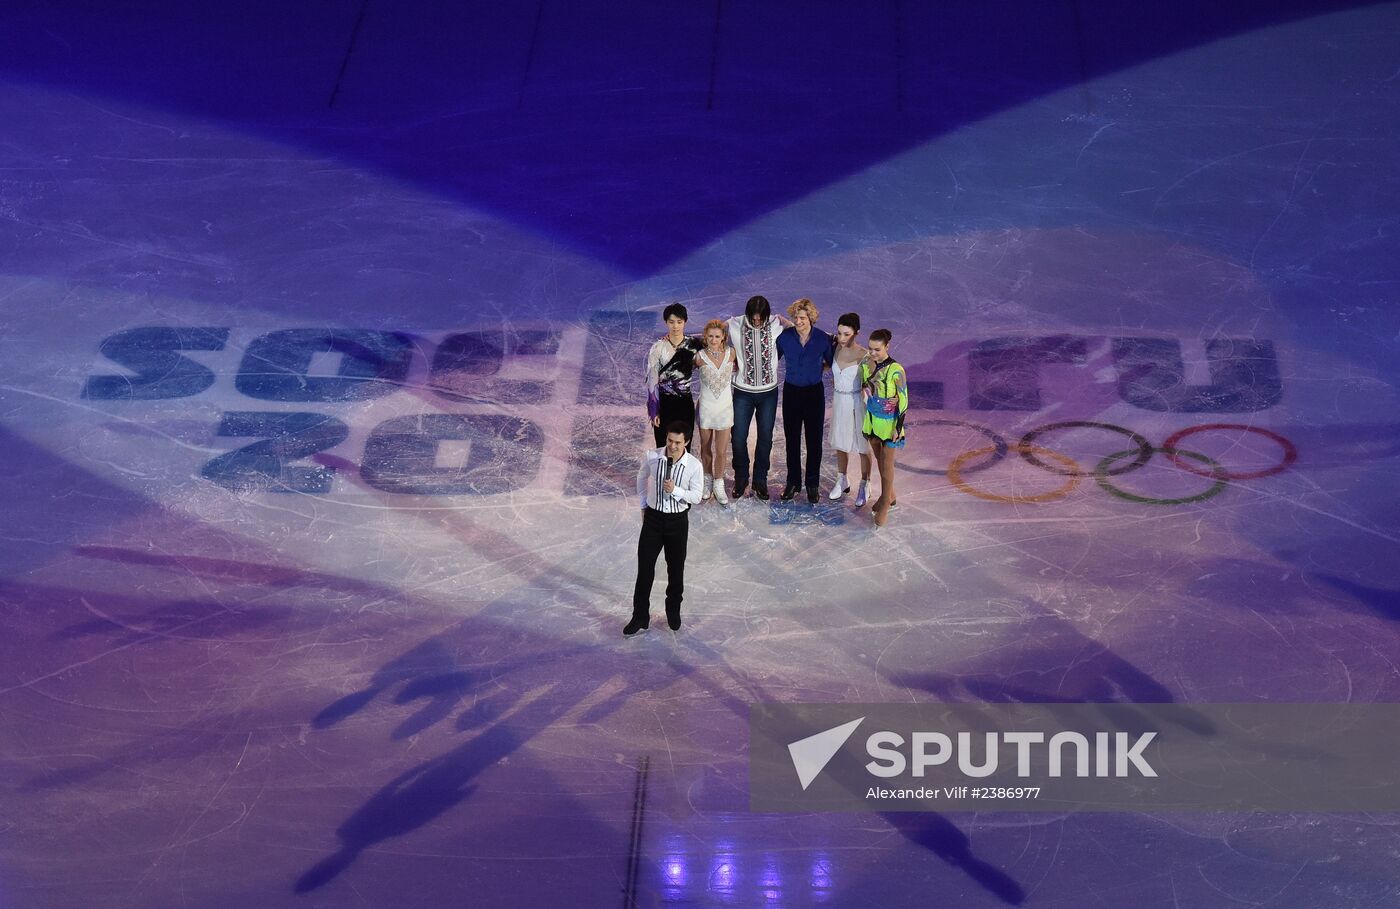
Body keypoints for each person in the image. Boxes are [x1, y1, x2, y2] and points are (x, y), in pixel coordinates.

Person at [626, 422, 704, 635]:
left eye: (678, 442)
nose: (673, 446)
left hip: (677, 522)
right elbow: (642, 477)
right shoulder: (653, 456)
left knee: (675, 569)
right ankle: (640, 616)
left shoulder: (694, 466)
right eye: (670, 440)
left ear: (686, 441)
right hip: (653, 520)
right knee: (645, 569)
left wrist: (676, 490)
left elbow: (696, 496)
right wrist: (643, 505)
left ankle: (673, 610)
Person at [726, 296, 788, 500]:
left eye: (761, 318)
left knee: (765, 439)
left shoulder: (776, 323)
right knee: (737, 438)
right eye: (754, 317)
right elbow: (712, 331)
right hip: (742, 392)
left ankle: (760, 480)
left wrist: (788, 322)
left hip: (768, 393)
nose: (757, 321)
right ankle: (741, 478)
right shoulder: (735, 324)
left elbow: (802, 330)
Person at [775, 298, 834, 503]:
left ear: (811, 318)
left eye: (802, 318)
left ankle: (812, 484)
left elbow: (831, 360)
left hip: (814, 394)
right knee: (792, 440)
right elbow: (771, 358)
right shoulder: (784, 338)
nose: (798, 321)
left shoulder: (822, 339)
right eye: (796, 318)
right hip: (791, 393)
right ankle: (793, 482)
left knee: (814, 441)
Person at [861, 328, 908, 528]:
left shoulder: (896, 370)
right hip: (872, 419)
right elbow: (865, 386)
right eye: (871, 349)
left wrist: (898, 426)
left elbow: (904, 400)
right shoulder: (866, 364)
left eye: (877, 350)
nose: (873, 353)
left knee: (887, 463)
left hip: (890, 423)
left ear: (887, 347)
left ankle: (885, 504)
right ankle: (890, 495)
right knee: (879, 458)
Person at [828, 312, 872, 506]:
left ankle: (865, 483)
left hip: (857, 403)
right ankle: (842, 478)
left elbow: (874, 381)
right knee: (840, 442)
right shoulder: (834, 348)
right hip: (839, 400)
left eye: (847, 334)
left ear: (857, 333)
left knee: (862, 446)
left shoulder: (864, 355)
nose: (842, 338)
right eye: (839, 333)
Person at [645, 303, 703, 449]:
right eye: (671, 322)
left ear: (685, 322)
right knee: (663, 447)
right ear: (666, 322)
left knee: (684, 448)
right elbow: (652, 381)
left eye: (679, 322)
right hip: (664, 404)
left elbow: (714, 348)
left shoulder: (694, 344)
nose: (675, 326)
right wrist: (653, 410)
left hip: (685, 403)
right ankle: (664, 473)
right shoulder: (658, 347)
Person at [694, 319, 735, 504]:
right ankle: (707, 480)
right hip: (706, 408)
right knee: (705, 448)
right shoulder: (699, 357)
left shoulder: (732, 354)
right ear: (705, 336)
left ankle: (719, 483)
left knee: (721, 450)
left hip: (725, 408)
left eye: (717, 336)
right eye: (710, 336)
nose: (713, 339)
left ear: (723, 337)